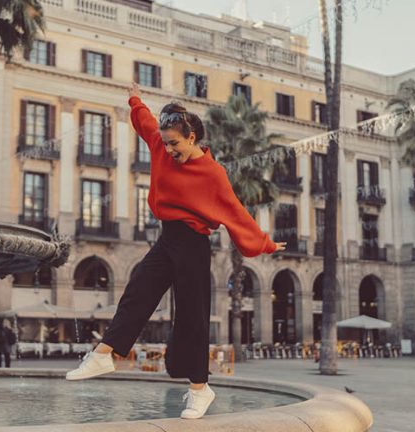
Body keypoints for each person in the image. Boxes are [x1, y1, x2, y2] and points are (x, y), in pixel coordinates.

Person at [65, 82, 286, 420]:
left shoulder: (213, 173)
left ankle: (200, 389)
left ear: (192, 138)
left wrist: (265, 242)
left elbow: (236, 213)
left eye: (175, 144)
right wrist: (135, 99)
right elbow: (144, 122)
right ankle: (103, 354)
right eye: (166, 143)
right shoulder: (160, 143)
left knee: (192, 315)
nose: (168, 149)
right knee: (138, 288)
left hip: (194, 244)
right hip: (167, 238)